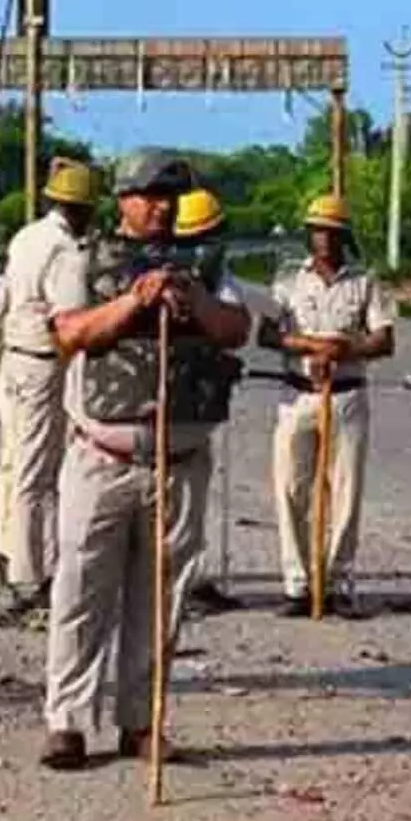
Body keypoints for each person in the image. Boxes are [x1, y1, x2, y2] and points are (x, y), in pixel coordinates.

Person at [40, 150, 250, 770]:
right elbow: (71, 332)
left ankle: (141, 721)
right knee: (81, 589)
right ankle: (68, 721)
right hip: (104, 453)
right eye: (149, 194)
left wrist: (192, 302)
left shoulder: (207, 266)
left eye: (171, 195)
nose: (160, 206)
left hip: (179, 458)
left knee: (161, 598)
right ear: (123, 200)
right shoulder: (86, 259)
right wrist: (134, 303)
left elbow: (235, 327)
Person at [258, 194, 395, 619]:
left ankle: (336, 581)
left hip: (347, 394)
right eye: (317, 230)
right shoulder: (287, 281)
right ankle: (297, 584)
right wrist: (308, 344)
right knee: (290, 489)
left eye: (332, 232)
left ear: (344, 236)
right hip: (297, 394)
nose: (324, 240)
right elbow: (266, 334)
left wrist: (344, 347)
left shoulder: (365, 282)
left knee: (346, 492)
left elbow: (384, 340)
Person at [0, 157, 98, 629]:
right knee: (38, 474)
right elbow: (73, 319)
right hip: (45, 364)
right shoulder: (67, 252)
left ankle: (7, 558)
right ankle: (30, 577)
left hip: (13, 358)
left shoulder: (25, 237)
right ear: (81, 209)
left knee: (12, 466)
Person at [168, 187, 245, 622]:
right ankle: (173, 582)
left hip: (197, 398)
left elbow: (235, 327)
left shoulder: (221, 279)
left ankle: (190, 579)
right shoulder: (174, 276)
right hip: (163, 400)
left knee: (192, 497)